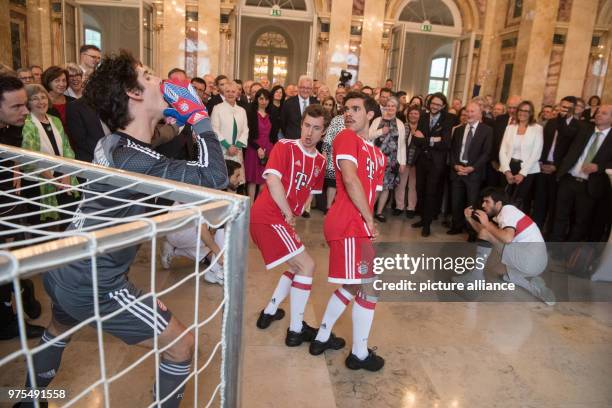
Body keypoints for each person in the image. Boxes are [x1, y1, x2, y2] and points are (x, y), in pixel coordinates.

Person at [14, 51, 228, 408]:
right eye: (148, 75)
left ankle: (27, 401)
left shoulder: (113, 143)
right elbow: (215, 176)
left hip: (66, 264)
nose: (161, 79)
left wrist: (174, 121)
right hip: (95, 280)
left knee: (58, 330)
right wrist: (200, 119)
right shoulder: (133, 158)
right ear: (134, 93)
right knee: (180, 345)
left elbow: (149, 150)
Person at [314, 91, 386, 371]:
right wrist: (369, 220)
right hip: (347, 222)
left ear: (371, 114)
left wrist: (369, 220)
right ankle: (359, 354)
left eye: (356, 108)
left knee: (354, 285)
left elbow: (372, 193)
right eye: (346, 109)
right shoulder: (346, 138)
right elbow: (349, 178)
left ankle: (321, 337)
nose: (349, 113)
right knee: (369, 287)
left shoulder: (379, 156)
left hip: (359, 224)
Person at [251, 104, 328, 347]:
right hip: (268, 216)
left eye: (316, 128)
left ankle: (270, 311)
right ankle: (296, 330)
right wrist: (288, 214)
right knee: (308, 265)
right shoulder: (285, 146)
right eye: (306, 125)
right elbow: (273, 181)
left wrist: (294, 216)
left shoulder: (321, 161)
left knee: (297, 266)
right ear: (301, 124)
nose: (309, 133)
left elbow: (308, 195)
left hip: (282, 221)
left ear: (323, 133)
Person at [453, 188, 555, 305]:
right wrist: (469, 219)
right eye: (483, 201)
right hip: (537, 263)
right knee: (506, 276)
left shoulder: (508, 211)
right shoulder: (505, 214)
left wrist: (487, 223)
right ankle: (534, 287)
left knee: (488, 233)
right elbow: (485, 233)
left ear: (499, 203)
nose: (483, 205)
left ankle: (475, 278)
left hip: (529, 259)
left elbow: (506, 238)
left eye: (487, 201)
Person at [0, 74, 45, 341]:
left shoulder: (15, 124)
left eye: (24, 104)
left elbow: (15, 153)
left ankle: (22, 289)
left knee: (11, 260)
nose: (25, 111)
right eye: (16, 106)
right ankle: (8, 318)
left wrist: (15, 170)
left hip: (11, 203)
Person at [161, 160, 242, 285]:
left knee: (210, 255)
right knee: (223, 223)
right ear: (225, 176)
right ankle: (215, 272)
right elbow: (202, 230)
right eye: (237, 176)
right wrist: (219, 254)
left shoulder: (208, 184)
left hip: (175, 231)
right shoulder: (206, 191)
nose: (240, 180)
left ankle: (174, 250)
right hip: (181, 231)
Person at [550, 104, 612, 243]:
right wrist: (563, 116)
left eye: (604, 113)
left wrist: (599, 167)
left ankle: (568, 255)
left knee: (580, 222)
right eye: (597, 112)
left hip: (590, 186)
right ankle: (553, 250)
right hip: (569, 179)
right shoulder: (584, 128)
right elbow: (565, 131)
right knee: (560, 216)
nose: (598, 114)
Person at [21, 84, 80, 224]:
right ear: (28, 103)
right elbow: (30, 159)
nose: (41, 102)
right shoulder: (27, 124)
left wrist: (66, 175)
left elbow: (67, 149)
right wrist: (52, 180)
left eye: (43, 97)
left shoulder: (55, 121)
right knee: (45, 227)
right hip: (40, 180)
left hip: (64, 176)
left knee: (70, 221)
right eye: (35, 98)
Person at [532, 96, 580, 233]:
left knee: (554, 206)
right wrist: (540, 162)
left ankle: (548, 237)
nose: (563, 109)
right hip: (543, 167)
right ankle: (534, 234)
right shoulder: (551, 122)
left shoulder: (578, 126)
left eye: (567, 107)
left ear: (574, 109)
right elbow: (543, 144)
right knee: (539, 204)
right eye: (562, 106)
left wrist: (557, 166)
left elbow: (573, 151)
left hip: (559, 171)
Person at [412, 92, 456, 237]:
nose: (435, 106)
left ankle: (427, 224)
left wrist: (426, 139)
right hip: (421, 160)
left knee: (431, 192)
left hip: (436, 163)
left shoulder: (449, 118)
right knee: (420, 189)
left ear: (443, 106)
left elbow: (445, 143)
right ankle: (423, 218)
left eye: (438, 104)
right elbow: (416, 140)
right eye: (433, 103)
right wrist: (433, 140)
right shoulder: (423, 116)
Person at [447, 102, 492, 236]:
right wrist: (455, 165)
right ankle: (456, 226)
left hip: (474, 173)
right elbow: (452, 150)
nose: (469, 114)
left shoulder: (487, 130)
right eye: (467, 111)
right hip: (457, 171)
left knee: (471, 203)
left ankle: (471, 231)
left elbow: (487, 153)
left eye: (472, 112)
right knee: (456, 201)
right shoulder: (459, 129)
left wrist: (472, 168)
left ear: (479, 114)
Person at [498, 100, 543, 212]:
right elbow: (502, 150)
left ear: (531, 113)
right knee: (504, 200)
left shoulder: (537, 129)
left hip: (527, 170)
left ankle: (517, 228)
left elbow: (536, 153)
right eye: (521, 110)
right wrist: (506, 171)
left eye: (526, 111)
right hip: (508, 167)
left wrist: (522, 174)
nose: (523, 113)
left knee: (520, 202)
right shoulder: (510, 128)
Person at [369, 96, 404, 222]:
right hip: (376, 159)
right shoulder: (377, 120)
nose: (390, 108)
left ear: (397, 108)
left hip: (392, 161)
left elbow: (402, 145)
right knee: (374, 186)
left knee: (386, 187)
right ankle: (368, 211)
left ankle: (379, 212)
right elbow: (368, 136)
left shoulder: (400, 124)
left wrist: (403, 162)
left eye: (393, 106)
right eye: (388, 105)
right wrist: (380, 131)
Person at [245, 88, 278, 202]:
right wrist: (257, 148)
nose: (264, 101)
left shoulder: (272, 114)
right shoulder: (250, 113)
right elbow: (247, 134)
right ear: (257, 99)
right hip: (253, 148)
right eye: (261, 98)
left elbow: (274, 136)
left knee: (264, 181)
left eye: (266, 99)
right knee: (253, 181)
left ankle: (258, 208)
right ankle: (250, 208)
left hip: (268, 148)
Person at [210, 81, 248, 170]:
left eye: (233, 91)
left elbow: (245, 130)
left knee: (236, 179)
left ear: (237, 94)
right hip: (223, 148)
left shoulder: (242, 110)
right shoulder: (217, 108)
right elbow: (214, 129)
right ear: (223, 92)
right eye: (227, 91)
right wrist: (227, 146)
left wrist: (237, 146)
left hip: (237, 150)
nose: (230, 94)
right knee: (223, 175)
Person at [488, 95, 521, 187]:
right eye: (509, 107)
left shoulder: (524, 122)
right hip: (497, 164)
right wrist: (493, 160)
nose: (511, 110)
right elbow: (494, 141)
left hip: (514, 166)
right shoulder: (500, 119)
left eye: (514, 108)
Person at [395, 105, 420, 218]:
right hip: (404, 160)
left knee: (413, 186)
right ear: (407, 114)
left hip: (416, 161)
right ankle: (399, 206)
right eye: (411, 113)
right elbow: (399, 143)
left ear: (419, 115)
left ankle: (411, 208)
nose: (413, 115)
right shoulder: (403, 126)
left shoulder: (422, 127)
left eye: (416, 113)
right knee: (401, 184)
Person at [322, 113, 345, 213]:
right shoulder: (337, 119)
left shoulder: (357, 120)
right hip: (334, 156)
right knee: (332, 184)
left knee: (346, 184)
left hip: (350, 157)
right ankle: (328, 207)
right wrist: (324, 153)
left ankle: (340, 208)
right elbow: (329, 136)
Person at [280, 75, 317, 140]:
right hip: (292, 140)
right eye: (303, 87)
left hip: (310, 141)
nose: (305, 90)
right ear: (298, 87)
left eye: (308, 88)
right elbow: (283, 123)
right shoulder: (288, 103)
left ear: (311, 89)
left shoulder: (316, 103)